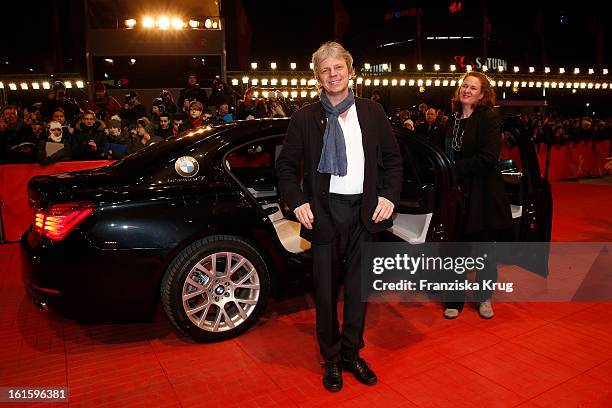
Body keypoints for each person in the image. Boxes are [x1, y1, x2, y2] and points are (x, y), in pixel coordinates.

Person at [276, 41, 403, 392]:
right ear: (317, 76)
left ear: (350, 71)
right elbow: (285, 167)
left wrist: (390, 196)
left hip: (365, 212)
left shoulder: (372, 112)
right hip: (323, 213)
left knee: (359, 291)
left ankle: (351, 353)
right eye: (325, 70)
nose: (333, 75)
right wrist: (298, 201)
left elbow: (394, 160)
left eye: (338, 68)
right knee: (327, 290)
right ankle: (331, 358)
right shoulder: (304, 117)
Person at [442, 71, 512, 320]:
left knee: (484, 252)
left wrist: (452, 169)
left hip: (484, 196)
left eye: (473, 88)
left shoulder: (489, 118)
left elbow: (488, 158)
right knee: (454, 252)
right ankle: (453, 301)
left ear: (483, 94)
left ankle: (484, 298)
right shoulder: (452, 119)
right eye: (464, 86)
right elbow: (445, 153)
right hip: (458, 197)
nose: (467, 90)